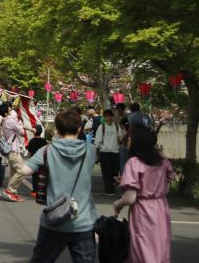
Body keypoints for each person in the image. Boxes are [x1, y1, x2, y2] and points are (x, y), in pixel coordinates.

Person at [21, 109, 98, 262]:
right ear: (79, 129)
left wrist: (10, 153)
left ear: (57, 129)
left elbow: (24, 170)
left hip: (54, 220)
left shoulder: (46, 151)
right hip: (84, 222)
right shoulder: (90, 151)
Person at [113, 124, 175, 263]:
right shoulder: (162, 161)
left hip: (143, 210)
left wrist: (117, 203)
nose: (126, 140)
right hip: (161, 207)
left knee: (143, 249)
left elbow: (130, 197)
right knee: (160, 248)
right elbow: (168, 183)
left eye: (129, 138)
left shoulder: (133, 163)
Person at [0, 102, 26, 202]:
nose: (11, 109)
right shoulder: (11, 121)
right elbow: (22, 132)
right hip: (13, 150)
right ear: (6, 113)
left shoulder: (5, 120)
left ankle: (13, 193)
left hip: (12, 149)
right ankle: (10, 190)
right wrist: (19, 123)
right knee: (21, 170)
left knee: (13, 172)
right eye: (9, 109)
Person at [95, 109, 125, 195]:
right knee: (106, 172)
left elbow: (120, 137)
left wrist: (122, 137)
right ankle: (109, 189)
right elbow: (97, 141)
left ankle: (112, 184)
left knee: (115, 171)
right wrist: (96, 153)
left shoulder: (116, 126)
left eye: (110, 116)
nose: (108, 117)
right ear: (104, 117)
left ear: (112, 117)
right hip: (104, 152)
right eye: (106, 116)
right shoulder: (101, 127)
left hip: (115, 152)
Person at [26, 125, 47, 198]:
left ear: (34, 132)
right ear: (41, 132)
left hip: (34, 161)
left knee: (34, 177)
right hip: (42, 161)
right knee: (42, 177)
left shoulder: (32, 141)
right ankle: (41, 191)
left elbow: (29, 152)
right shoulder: (44, 141)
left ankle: (34, 191)